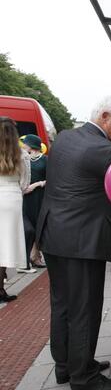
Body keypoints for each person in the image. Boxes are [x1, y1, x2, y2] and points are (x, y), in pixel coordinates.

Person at [36, 96, 111, 390]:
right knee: (85, 309)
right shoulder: (105, 150)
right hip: (82, 241)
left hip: (53, 234)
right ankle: (85, 378)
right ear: (105, 116)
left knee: (62, 304)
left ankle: (67, 366)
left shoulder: (66, 138)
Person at [0, 117, 30, 302]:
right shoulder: (21, 155)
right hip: (12, 198)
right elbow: (24, 183)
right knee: (7, 246)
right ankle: (1, 288)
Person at [20, 134, 47, 272]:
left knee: (38, 226)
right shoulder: (22, 158)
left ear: (31, 144)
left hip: (39, 196)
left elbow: (51, 179)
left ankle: (35, 256)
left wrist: (37, 184)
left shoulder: (44, 159)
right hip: (25, 197)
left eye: (25, 142)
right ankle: (28, 258)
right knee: (27, 228)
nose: (23, 144)